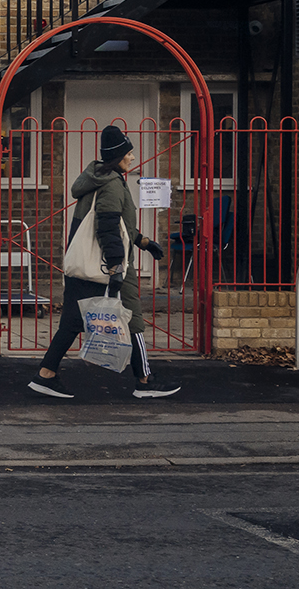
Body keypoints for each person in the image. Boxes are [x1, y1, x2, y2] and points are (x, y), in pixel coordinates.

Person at [29, 124, 181, 399]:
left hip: (82, 265)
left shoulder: (96, 179)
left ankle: (46, 374)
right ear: (117, 156)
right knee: (133, 319)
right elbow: (108, 227)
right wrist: (116, 267)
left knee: (73, 321)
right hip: (107, 267)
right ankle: (145, 381)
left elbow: (119, 225)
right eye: (129, 153)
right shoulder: (112, 184)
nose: (133, 158)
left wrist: (144, 242)